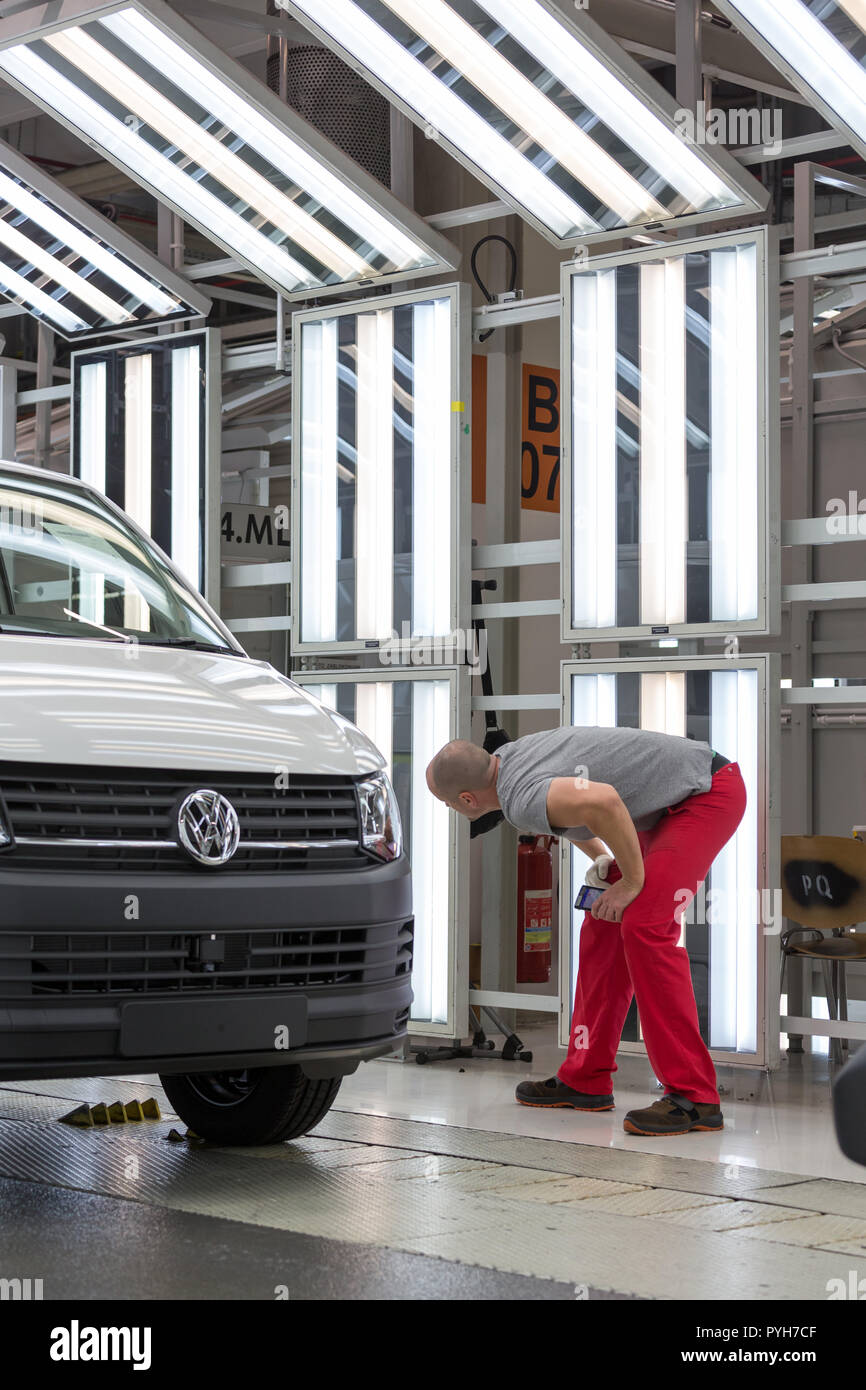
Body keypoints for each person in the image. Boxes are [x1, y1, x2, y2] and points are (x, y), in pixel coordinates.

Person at [425, 726, 746, 1136]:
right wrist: (603, 859)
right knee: (603, 918)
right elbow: (575, 812)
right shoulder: (509, 760)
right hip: (667, 801)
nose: (451, 809)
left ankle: (694, 1094)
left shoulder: (519, 798)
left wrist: (630, 881)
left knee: (645, 924)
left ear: (467, 800)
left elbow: (604, 801)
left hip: (704, 793)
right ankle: (586, 1078)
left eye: (447, 803)